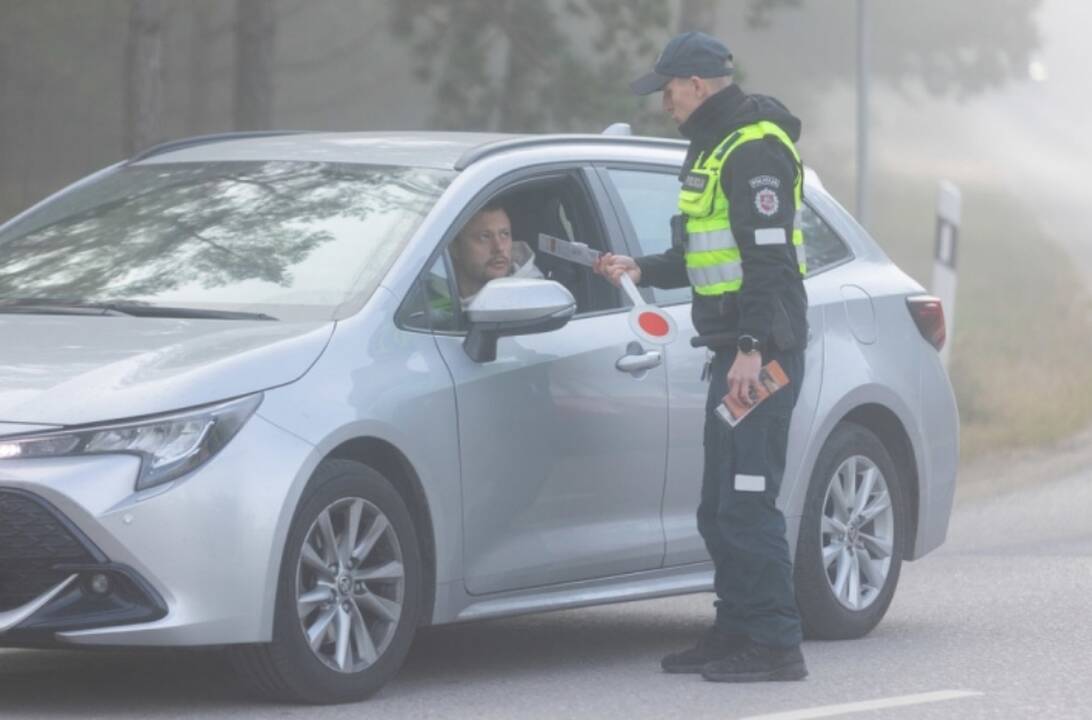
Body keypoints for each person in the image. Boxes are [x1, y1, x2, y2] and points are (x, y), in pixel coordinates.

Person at [594, 31, 810, 683]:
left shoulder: (755, 148)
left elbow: (769, 263)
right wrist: (645, 265)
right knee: (719, 505)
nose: (663, 100)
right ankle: (737, 629)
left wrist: (750, 349)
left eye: (667, 88)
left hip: (762, 356)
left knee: (747, 498)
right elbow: (706, 254)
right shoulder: (712, 147)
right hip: (732, 352)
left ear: (696, 84)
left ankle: (776, 646)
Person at [450, 202, 543, 306]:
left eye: (505, 234)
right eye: (485, 236)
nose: (499, 248)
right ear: (455, 248)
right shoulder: (433, 292)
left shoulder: (532, 295)